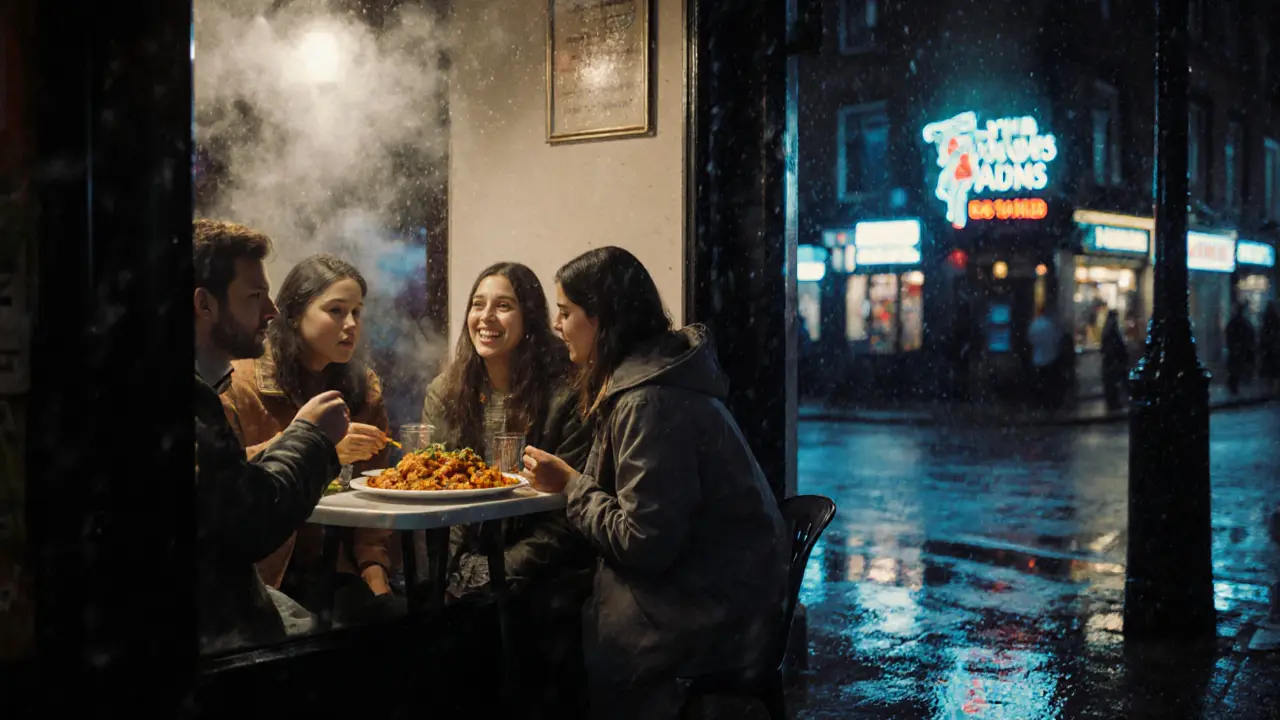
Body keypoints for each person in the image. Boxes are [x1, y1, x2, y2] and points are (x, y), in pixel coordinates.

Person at [522, 246, 789, 719]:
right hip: (717, 593)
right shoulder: (651, 385)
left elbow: (644, 543)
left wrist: (570, 485)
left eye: (565, 313)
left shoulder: (650, 403)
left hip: (705, 616)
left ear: (600, 318)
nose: (556, 326)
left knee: (535, 626)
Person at [422, 262, 594, 716]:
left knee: (511, 629)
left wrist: (497, 571)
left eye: (504, 306)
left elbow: (567, 514)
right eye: (478, 305)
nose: (486, 317)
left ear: (531, 318)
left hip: (546, 566)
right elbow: (440, 493)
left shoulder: (568, 395)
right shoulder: (447, 391)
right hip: (473, 560)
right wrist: (452, 571)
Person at [194, 219, 349, 654]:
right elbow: (249, 523)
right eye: (254, 297)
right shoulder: (192, 397)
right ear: (204, 305)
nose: (271, 312)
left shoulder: (206, 386)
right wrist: (311, 436)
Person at [220, 253, 396, 621]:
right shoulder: (241, 381)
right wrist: (318, 445)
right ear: (294, 314)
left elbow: (377, 499)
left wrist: (376, 576)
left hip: (337, 567)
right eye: (335, 310)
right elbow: (227, 476)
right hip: (265, 572)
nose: (350, 324)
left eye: (357, 313)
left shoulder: (363, 387)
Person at [1027, 308, 1063, 409]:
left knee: (1040, 382)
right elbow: (1056, 340)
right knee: (1049, 383)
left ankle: (1041, 403)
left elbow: (1030, 340)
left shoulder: (1034, 325)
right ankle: (1050, 403)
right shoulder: (1049, 325)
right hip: (1050, 358)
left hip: (1037, 358)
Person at [1226, 300, 1257, 396]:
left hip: (1238, 350)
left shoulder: (1236, 322)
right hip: (1240, 350)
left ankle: (1234, 387)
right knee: (1237, 370)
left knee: (1236, 370)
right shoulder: (1242, 323)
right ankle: (1235, 387)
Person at [1101, 309, 1129, 411]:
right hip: (1114, 361)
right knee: (1115, 383)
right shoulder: (1113, 331)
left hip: (1111, 361)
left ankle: (1113, 402)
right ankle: (1115, 403)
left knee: (1113, 383)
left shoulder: (1107, 331)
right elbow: (1117, 347)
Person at [1259, 301, 1280, 395]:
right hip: (1273, 350)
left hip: (1269, 350)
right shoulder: (1275, 322)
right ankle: (1273, 389)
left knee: (1270, 371)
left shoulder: (1267, 323)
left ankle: (1270, 389)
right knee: (1273, 371)